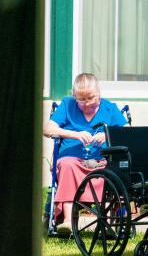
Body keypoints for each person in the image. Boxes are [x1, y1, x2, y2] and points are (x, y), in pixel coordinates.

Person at [43, 72, 128, 229]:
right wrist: (74, 134)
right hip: (72, 161)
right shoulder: (68, 105)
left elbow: (128, 132)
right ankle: (68, 221)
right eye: (81, 99)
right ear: (74, 95)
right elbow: (48, 129)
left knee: (111, 169)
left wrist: (108, 135)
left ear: (99, 94)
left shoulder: (109, 108)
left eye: (91, 98)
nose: (87, 103)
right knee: (67, 165)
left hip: (101, 161)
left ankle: (106, 223)